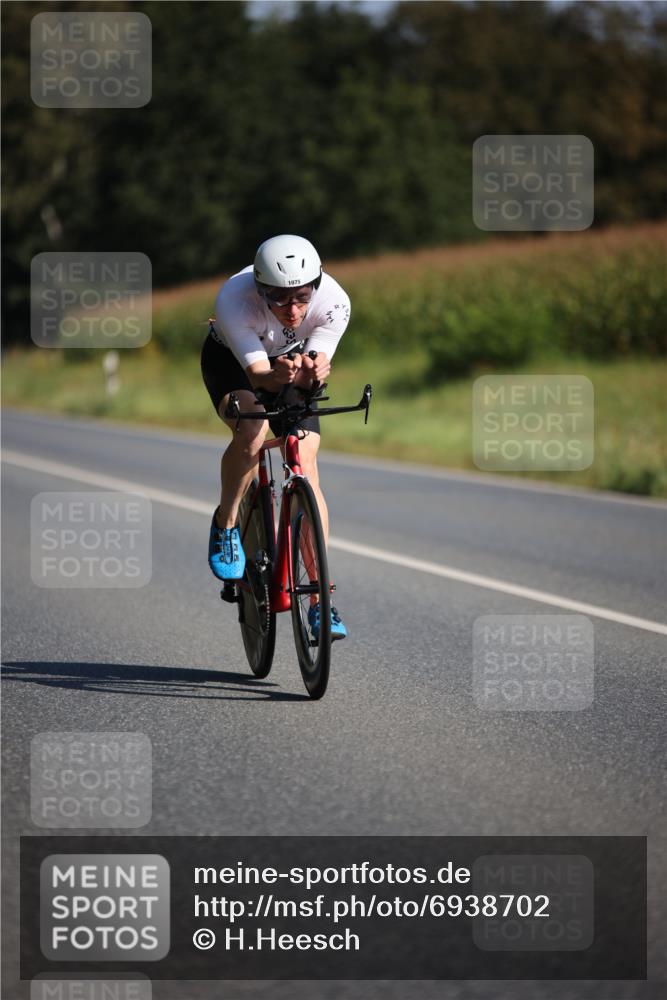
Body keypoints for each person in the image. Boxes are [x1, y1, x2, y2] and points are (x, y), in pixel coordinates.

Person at [201, 234, 351, 639]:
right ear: (259, 288)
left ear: (316, 285)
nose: (293, 309)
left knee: (305, 457)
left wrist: (314, 371)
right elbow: (258, 376)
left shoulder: (335, 302)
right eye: (278, 298)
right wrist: (275, 374)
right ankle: (227, 523)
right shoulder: (235, 298)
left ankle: (321, 602)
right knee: (252, 429)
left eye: (302, 297)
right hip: (234, 363)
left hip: (289, 363)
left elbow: (315, 362)